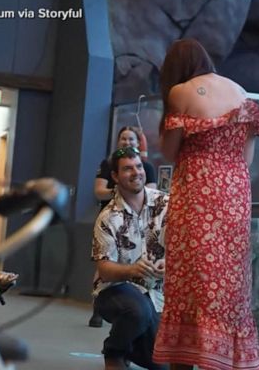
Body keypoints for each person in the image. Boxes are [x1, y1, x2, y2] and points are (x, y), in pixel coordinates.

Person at [152, 38, 259, 370]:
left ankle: (190, 356)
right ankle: (226, 358)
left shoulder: (181, 91)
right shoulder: (241, 92)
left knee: (193, 277)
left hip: (198, 192)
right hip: (235, 194)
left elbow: (170, 152)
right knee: (229, 280)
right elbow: (246, 158)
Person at [91, 146, 169, 370]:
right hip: (115, 290)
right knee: (137, 311)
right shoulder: (107, 217)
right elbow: (104, 269)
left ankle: (134, 347)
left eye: (138, 166)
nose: (136, 172)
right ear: (115, 177)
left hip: (157, 293)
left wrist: (170, 262)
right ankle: (115, 351)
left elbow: (183, 244)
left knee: (162, 365)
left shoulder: (167, 204)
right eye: (127, 169)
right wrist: (132, 270)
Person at [89, 126, 157, 328]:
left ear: (138, 143)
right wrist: (122, 194)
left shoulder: (150, 173)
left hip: (144, 226)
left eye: (132, 139)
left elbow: (148, 190)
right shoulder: (107, 165)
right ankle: (99, 307)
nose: (128, 142)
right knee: (108, 259)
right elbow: (99, 191)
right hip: (114, 224)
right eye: (124, 139)